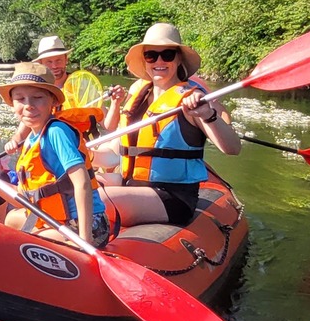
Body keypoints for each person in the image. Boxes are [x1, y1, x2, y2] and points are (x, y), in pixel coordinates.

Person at [101, 23, 239, 227]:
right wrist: (84, 156)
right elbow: (115, 152)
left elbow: (233, 148)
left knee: (96, 200)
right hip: (133, 183)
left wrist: (208, 114)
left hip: (172, 196)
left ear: (178, 58)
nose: (159, 61)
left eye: (167, 55)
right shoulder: (138, 98)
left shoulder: (192, 99)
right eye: (151, 55)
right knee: (76, 188)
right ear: (144, 60)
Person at [0, 62, 112, 247]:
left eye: (37, 98)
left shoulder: (56, 132)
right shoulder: (32, 137)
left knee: (22, 246)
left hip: (85, 226)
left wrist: (84, 240)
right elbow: (24, 195)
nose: (28, 106)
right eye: (20, 99)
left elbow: (82, 183)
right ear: (12, 103)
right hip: (54, 219)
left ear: (54, 102)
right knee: (11, 218)